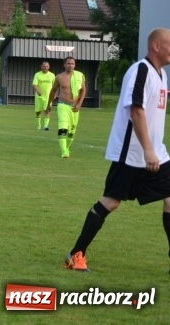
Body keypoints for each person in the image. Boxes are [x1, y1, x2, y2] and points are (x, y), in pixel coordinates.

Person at [63, 28, 170, 272]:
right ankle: (75, 254)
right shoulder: (140, 70)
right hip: (131, 154)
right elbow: (136, 110)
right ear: (156, 46)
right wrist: (147, 150)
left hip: (157, 153)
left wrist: (153, 150)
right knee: (111, 202)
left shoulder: (162, 75)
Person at [45, 56, 86, 158]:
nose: (70, 65)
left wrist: (79, 104)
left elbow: (83, 90)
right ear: (64, 65)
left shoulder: (80, 75)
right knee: (62, 128)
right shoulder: (59, 77)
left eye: (72, 64)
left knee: (71, 132)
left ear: (74, 65)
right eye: (68, 63)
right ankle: (64, 151)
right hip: (63, 105)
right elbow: (53, 91)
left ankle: (67, 147)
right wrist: (48, 105)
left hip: (75, 107)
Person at [32, 60, 56, 130]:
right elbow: (34, 84)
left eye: (47, 66)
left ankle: (46, 126)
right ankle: (38, 125)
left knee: (47, 111)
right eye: (44, 66)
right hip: (39, 97)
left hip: (48, 97)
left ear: (49, 67)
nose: (45, 67)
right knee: (38, 112)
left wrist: (54, 94)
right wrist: (38, 90)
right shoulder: (37, 74)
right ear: (41, 66)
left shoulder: (52, 75)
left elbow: (55, 86)